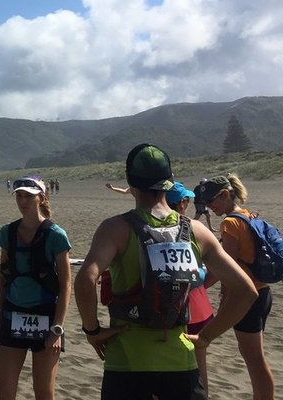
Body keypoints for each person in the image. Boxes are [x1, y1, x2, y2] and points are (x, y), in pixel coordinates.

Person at [74, 144, 257, 400]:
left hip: (127, 359)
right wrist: (206, 336)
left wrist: (92, 331)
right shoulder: (196, 230)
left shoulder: (115, 228)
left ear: (130, 181)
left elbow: (85, 279)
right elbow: (246, 291)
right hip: (181, 360)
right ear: (169, 182)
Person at [0, 176, 71, 400]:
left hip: (46, 320)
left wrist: (57, 329)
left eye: (28, 196)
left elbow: (65, 285)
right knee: (4, 393)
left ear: (41, 198)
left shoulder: (56, 235)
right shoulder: (7, 232)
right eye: (19, 195)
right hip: (12, 316)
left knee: (44, 392)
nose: (22, 201)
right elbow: (3, 278)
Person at [198, 174, 275, 399]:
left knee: (254, 358)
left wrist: (199, 289)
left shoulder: (230, 223)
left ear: (224, 195)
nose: (209, 207)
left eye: (211, 201)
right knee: (255, 356)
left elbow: (226, 268)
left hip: (247, 299)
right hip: (263, 293)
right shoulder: (247, 215)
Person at [165, 181, 215, 396]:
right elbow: (214, 271)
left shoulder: (157, 230)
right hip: (199, 306)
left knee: (168, 369)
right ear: (182, 203)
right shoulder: (194, 229)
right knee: (199, 369)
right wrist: (200, 283)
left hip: (174, 308)